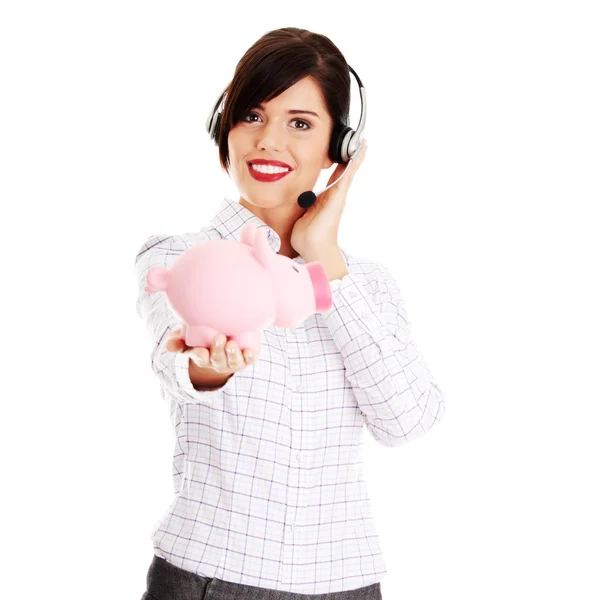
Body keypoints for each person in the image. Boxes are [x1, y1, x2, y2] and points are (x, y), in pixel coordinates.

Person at [135, 27, 446, 600]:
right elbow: (178, 365)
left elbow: (406, 422)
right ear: (222, 131)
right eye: (252, 116)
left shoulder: (367, 283)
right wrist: (211, 365)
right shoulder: (177, 257)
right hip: (209, 577)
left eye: (299, 123)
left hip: (346, 583)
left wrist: (322, 256)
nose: (268, 141)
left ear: (339, 148)